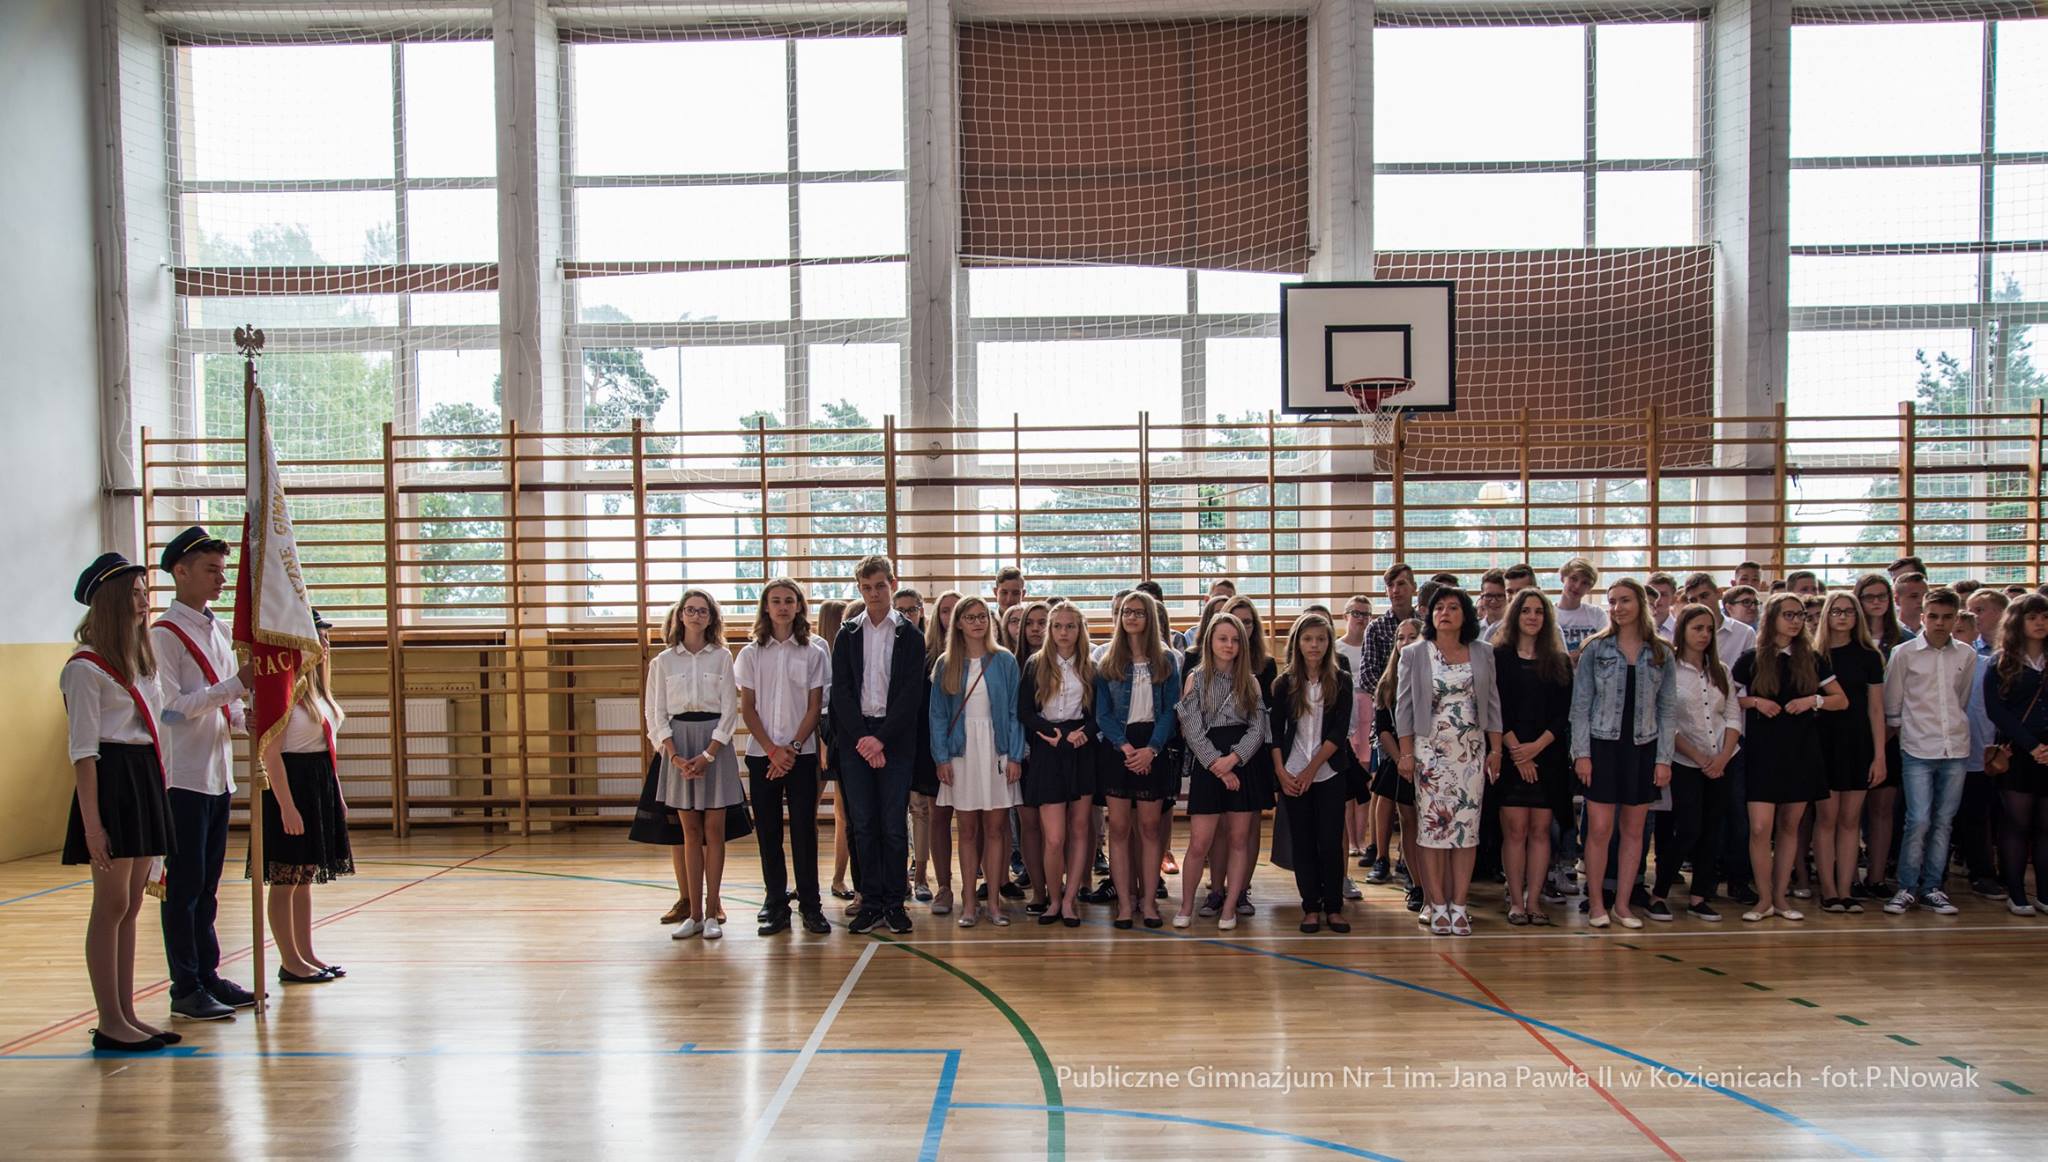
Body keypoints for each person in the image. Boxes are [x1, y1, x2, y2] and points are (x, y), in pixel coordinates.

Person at [63, 553, 178, 1052]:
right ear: (110, 600)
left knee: (131, 904)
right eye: (134, 593)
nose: (144, 601)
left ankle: (127, 1012)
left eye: (144, 592)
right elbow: (83, 753)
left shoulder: (138, 659)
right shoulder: (85, 668)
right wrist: (93, 827)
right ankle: (109, 1020)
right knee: (110, 904)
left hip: (142, 776)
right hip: (111, 782)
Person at [149, 527, 256, 1020]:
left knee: (208, 887)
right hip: (184, 777)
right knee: (184, 888)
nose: (221, 579)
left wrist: (245, 719)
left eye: (223, 570)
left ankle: (208, 974)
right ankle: (185, 986)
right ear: (181, 572)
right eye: (211, 570)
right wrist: (234, 687)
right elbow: (171, 708)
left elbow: (223, 704)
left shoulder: (217, 630)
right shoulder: (163, 636)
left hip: (217, 775)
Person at [1733, 593, 1847, 922]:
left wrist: (1814, 701)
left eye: (1800, 615)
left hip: (1801, 752)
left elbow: (1841, 700)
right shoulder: (1751, 659)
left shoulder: (1811, 658)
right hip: (1762, 753)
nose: (1796, 621)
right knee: (1760, 827)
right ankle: (1763, 898)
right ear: (1772, 618)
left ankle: (1780, 897)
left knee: (1789, 826)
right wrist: (1755, 702)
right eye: (1788, 615)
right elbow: (1728, 699)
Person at [1396, 587, 1503, 937]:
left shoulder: (1483, 651)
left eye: (1453, 607)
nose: (1445, 613)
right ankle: (1437, 904)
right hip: (1430, 754)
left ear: (1465, 614)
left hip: (1471, 752)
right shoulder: (1414, 653)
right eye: (1439, 607)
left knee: (1465, 832)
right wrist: (1406, 753)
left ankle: (1459, 905)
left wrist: (1496, 749)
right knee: (1433, 831)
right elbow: (1403, 708)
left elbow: (1492, 704)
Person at [1570, 578, 1675, 930]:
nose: (1617, 608)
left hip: (1643, 747)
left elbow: (1668, 709)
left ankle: (1623, 904)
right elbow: (1580, 706)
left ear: (1641, 603)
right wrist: (1581, 754)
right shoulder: (1595, 648)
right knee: (1599, 829)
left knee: (1634, 830)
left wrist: (1663, 759)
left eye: (1625, 600)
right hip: (1602, 746)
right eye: (1612, 601)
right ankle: (1597, 902)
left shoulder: (1661, 651)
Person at [832, 555, 929, 935]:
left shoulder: (910, 635)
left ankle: (894, 902)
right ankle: (870, 901)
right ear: (859, 589)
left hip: (894, 739)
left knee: (892, 824)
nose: (874, 594)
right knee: (863, 823)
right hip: (856, 740)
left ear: (893, 583)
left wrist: (881, 739)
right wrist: (863, 738)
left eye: (880, 586)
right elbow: (841, 692)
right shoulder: (847, 634)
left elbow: (910, 694)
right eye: (866, 588)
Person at [262, 610, 355, 982]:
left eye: (327, 639)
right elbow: (271, 754)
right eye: (318, 638)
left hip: (317, 786)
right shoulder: (283, 691)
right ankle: (289, 960)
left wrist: (337, 795)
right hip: (292, 786)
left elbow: (327, 751)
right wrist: (286, 805)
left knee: (304, 878)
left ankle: (305, 952)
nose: (325, 645)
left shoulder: (318, 692)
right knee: (285, 878)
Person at [643, 590, 741, 940]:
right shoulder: (663, 662)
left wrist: (708, 754)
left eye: (703, 610)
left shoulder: (723, 657)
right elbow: (655, 714)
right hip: (678, 748)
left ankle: (713, 911)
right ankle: (694, 914)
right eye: (690, 610)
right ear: (680, 615)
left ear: (711, 617)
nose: (696, 615)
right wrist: (673, 755)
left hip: (714, 745)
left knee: (714, 831)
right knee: (690, 833)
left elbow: (729, 711)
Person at [737, 579, 830, 936]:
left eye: (789, 600)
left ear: (799, 606)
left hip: (800, 756)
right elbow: (748, 708)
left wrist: (791, 747)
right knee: (769, 832)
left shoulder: (813, 652)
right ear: (765, 606)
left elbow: (814, 707)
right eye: (775, 601)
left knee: (804, 831)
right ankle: (776, 902)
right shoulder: (751, 654)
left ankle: (811, 905)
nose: (782, 607)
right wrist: (772, 750)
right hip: (762, 755)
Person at [929, 595, 1027, 928]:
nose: (977, 622)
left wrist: (1015, 755)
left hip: (997, 749)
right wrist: (941, 757)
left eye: (982, 616)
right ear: (958, 623)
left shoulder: (1005, 660)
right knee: (968, 830)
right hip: (961, 751)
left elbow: (1014, 713)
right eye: (970, 617)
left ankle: (994, 903)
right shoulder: (946, 663)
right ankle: (969, 904)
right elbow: (937, 716)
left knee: (996, 829)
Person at [1881, 587, 1977, 916]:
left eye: (1947, 617)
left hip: (1955, 746)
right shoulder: (1904, 653)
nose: (1939, 623)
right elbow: (1893, 703)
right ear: (1922, 617)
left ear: (1956, 619)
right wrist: (1907, 733)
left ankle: (1933, 887)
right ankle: (1907, 887)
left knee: (1944, 821)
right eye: (1933, 616)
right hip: (1917, 747)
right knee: (1918, 819)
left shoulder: (1966, 654)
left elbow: (1961, 698)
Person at [1174, 612, 1270, 930]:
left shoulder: (1250, 681)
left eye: (1235, 640)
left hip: (1241, 763)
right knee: (1199, 842)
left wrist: (1234, 759)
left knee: (1239, 838)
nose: (1229, 645)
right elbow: (1191, 728)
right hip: (1208, 764)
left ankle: (1230, 907)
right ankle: (1186, 906)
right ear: (1210, 642)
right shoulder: (1196, 678)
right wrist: (1217, 764)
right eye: (1222, 639)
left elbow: (1258, 728)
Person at [1095, 590, 1183, 928]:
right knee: (1118, 829)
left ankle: (1148, 901)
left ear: (1150, 618)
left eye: (1138, 612)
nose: (1131, 617)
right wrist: (1125, 747)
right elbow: (1102, 713)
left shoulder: (1166, 660)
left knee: (1149, 828)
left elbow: (1171, 711)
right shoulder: (1108, 661)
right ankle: (1124, 901)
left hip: (1152, 748)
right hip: (1119, 747)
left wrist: (1152, 749)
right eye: (1126, 612)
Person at [1491, 589, 1573, 926]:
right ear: (1516, 615)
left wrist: (1536, 748)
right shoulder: (1498, 657)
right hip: (1511, 755)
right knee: (1515, 830)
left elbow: (1563, 713)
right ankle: (1515, 900)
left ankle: (1534, 900)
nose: (1532, 617)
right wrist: (1518, 753)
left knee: (1540, 831)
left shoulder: (1559, 660)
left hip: (1547, 757)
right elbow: (1495, 708)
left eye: (1539, 611)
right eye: (1526, 610)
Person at [1656, 603, 1741, 923]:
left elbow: (1733, 716)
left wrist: (1721, 758)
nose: (1704, 634)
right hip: (1685, 761)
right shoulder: (1669, 669)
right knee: (1688, 829)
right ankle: (1659, 893)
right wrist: (1701, 758)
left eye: (1708, 629)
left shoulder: (1721, 670)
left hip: (1723, 759)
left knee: (1712, 831)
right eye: (1697, 628)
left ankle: (1699, 896)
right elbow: (1668, 722)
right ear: (1683, 631)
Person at [1270, 613, 1355, 933]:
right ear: (1297, 643)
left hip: (1328, 772)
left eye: (1320, 639)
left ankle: (1333, 906)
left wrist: (1312, 769)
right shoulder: (1284, 683)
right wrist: (1281, 771)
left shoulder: (1341, 680)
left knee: (1330, 842)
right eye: (1308, 639)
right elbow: (1274, 732)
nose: (1314, 645)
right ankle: (1310, 907)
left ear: (1329, 642)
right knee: (1303, 842)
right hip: (1292, 772)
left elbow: (1338, 732)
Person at [1019, 603, 1098, 927]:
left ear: (1080, 630)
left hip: (1081, 748)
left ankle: (1069, 901)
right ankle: (1053, 899)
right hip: (1048, 748)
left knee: (1079, 830)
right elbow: (1024, 711)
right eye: (1058, 626)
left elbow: (1100, 714)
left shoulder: (1091, 666)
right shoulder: (1036, 664)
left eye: (1070, 626)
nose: (1064, 632)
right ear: (1050, 630)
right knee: (1053, 837)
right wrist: (1047, 734)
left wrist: (1085, 733)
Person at [1815, 590, 1886, 914]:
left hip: (1858, 743)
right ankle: (1828, 890)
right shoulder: (1815, 655)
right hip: (1823, 742)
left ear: (1858, 617)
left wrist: (1879, 756)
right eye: (1836, 611)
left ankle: (1846, 889)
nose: (1842, 617)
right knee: (1827, 818)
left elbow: (1876, 709)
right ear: (1826, 616)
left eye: (1849, 611)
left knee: (1850, 820)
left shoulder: (1869, 656)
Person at [1985, 593, 2048, 913]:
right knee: (2016, 823)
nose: (2040, 623)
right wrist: (2032, 745)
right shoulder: (2001, 661)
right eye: (2032, 617)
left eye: (2045, 617)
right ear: (2017, 622)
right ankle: (2016, 892)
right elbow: (1996, 709)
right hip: (2018, 749)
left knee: (2046, 825)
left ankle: (2044, 893)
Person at [1853, 572, 1912, 901]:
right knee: (1849, 812)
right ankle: (1848, 876)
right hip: (1850, 734)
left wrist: (1886, 734)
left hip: (1890, 734)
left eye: (1882, 596)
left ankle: (1876, 877)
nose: (1876, 602)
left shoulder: (1904, 639)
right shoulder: (1847, 637)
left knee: (1882, 810)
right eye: (1869, 596)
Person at [1372, 620, 1426, 911]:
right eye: (1400, 638)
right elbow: (1383, 729)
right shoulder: (1387, 682)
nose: (1405, 643)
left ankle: (1438, 887)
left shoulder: (1433, 675)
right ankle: (1418, 885)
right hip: (1401, 763)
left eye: (1412, 637)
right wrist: (1402, 759)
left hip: (1432, 761)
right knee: (1409, 822)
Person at [895, 587, 938, 906]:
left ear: (922, 611)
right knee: (895, 809)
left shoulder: (931, 649)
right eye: (902, 610)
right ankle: (898, 878)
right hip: (892, 736)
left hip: (923, 736)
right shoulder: (887, 644)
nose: (908, 615)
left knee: (921, 808)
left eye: (913, 609)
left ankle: (921, 875)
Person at [919, 591, 961, 913]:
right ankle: (944, 886)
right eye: (945, 611)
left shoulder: (984, 655)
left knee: (977, 820)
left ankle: (981, 883)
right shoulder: (927, 657)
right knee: (938, 817)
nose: (951, 616)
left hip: (973, 746)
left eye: (956, 610)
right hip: (934, 748)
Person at [1555, 558, 1608, 657]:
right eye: (1573, 578)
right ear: (1562, 578)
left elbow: (1605, 648)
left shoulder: (1597, 614)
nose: (1577, 586)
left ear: (1590, 588)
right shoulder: (1547, 613)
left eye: (1585, 583)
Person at [1475, 569, 1509, 640]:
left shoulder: (1517, 630)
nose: (1493, 601)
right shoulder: (1473, 630)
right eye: (1488, 596)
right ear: (1481, 596)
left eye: (1499, 596)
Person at [1895, 571, 1930, 635]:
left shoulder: (1932, 632)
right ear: (1897, 600)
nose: (1921, 600)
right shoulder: (1887, 632)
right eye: (1914, 596)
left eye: (1925, 595)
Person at [1647, 572, 1679, 640]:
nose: (1657, 598)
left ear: (1673, 599)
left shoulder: (1680, 630)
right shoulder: (1635, 629)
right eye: (1653, 594)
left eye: (1663, 594)